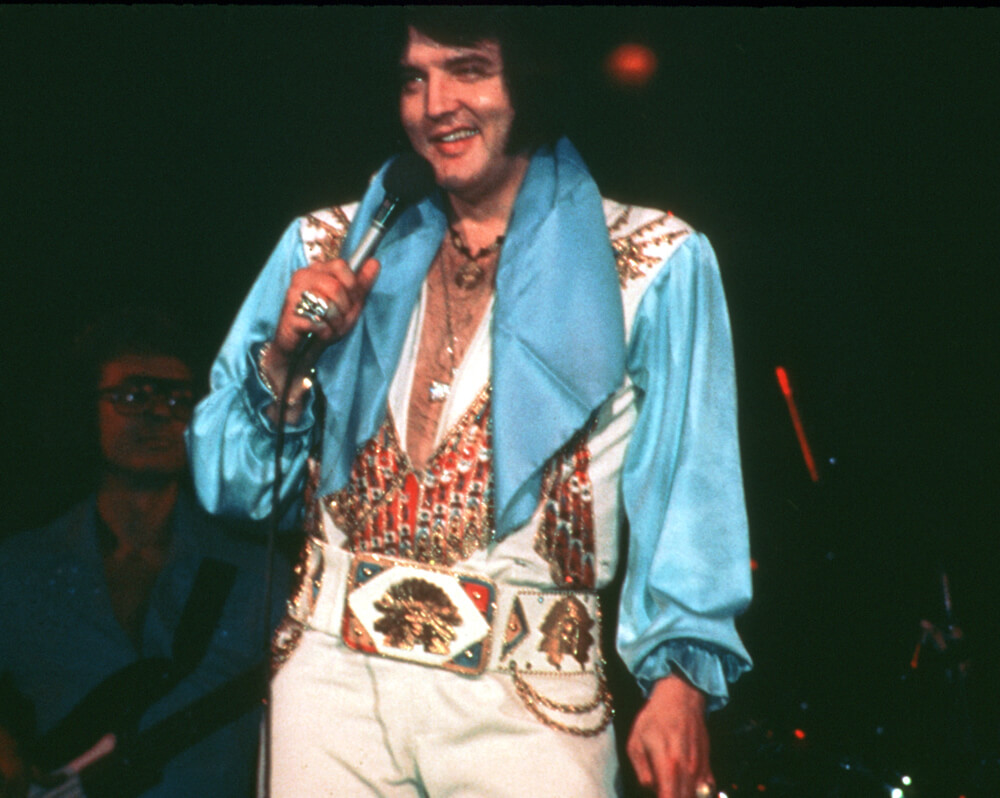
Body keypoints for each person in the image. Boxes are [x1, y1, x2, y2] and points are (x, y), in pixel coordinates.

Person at [188, 8, 752, 798]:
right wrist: (283, 360)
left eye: (469, 70)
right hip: (328, 686)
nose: (434, 105)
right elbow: (233, 487)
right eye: (413, 79)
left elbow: (691, 491)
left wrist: (679, 683)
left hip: (529, 703)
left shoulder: (654, 261)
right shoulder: (326, 247)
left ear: (532, 77)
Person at [0, 308, 289, 798]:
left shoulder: (261, 576)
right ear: (85, 411)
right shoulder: (19, 569)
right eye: (133, 396)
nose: (159, 414)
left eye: (179, 399)